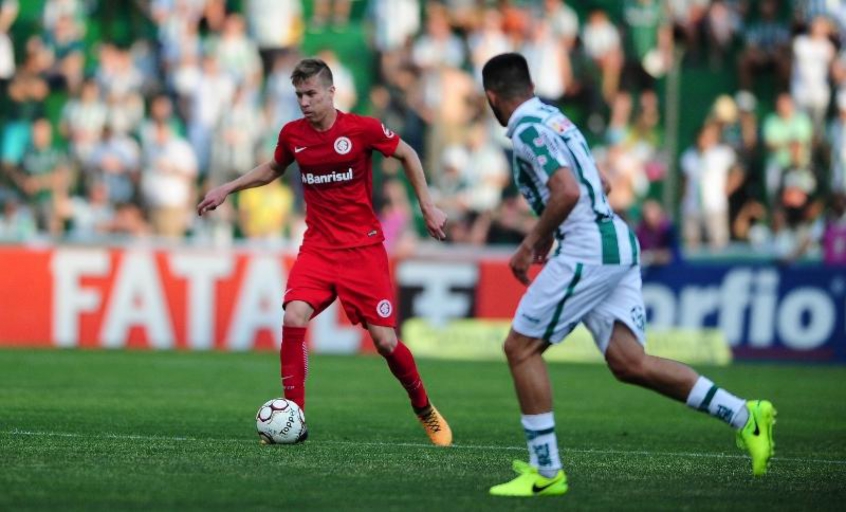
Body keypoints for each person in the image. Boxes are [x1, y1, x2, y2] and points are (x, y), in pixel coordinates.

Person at [480, 53, 775, 498]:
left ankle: (546, 471)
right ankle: (744, 415)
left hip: (588, 247)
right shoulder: (556, 118)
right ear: (532, 85)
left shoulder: (523, 129)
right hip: (614, 237)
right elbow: (603, 182)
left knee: (520, 347)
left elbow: (568, 189)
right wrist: (553, 230)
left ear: (491, 96)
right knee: (628, 363)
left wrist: (530, 242)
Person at [197, 58, 452, 446]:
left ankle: (423, 408)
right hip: (318, 247)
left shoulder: (361, 129)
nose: (304, 101)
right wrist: (227, 189)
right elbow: (272, 169)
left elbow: (408, 155)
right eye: (298, 94)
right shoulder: (292, 134)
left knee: (385, 342)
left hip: (363, 249)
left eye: (311, 93)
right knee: (294, 314)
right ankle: (293, 418)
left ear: (332, 92)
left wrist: (427, 206)